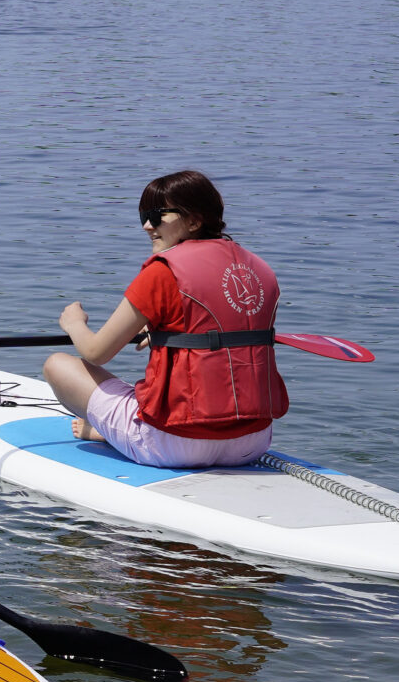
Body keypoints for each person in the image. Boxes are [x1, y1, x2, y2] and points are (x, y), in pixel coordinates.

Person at [42, 169, 290, 469]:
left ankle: (112, 431)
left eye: (158, 215)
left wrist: (74, 323)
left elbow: (97, 352)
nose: (148, 226)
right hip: (252, 442)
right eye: (144, 216)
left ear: (194, 221)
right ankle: (112, 430)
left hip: (172, 445)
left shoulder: (162, 271)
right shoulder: (260, 271)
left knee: (57, 365)